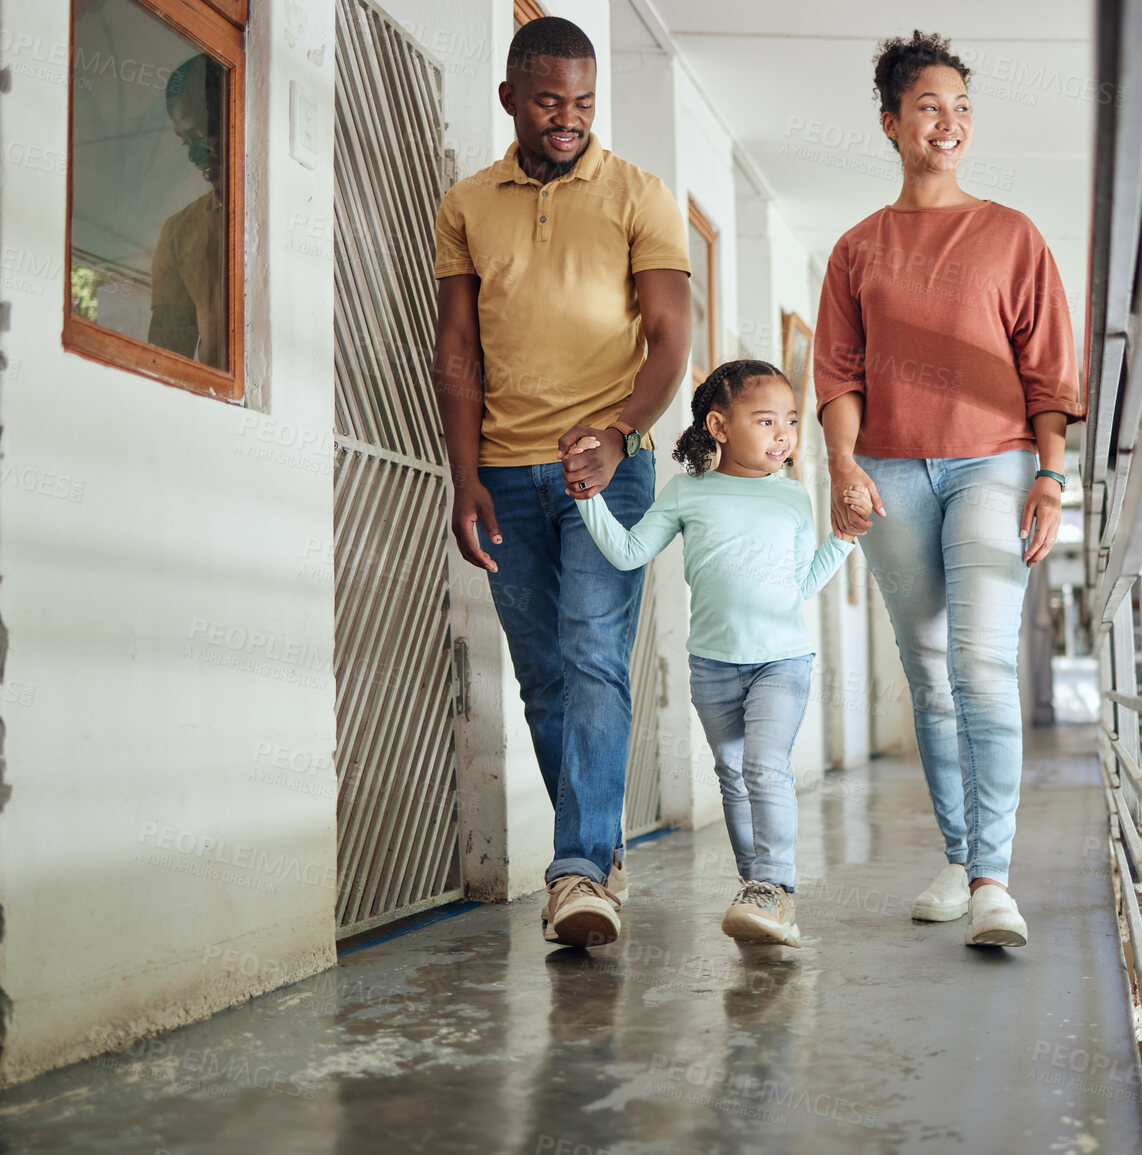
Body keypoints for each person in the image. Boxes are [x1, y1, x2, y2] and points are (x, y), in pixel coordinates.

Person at [814, 30, 1082, 949]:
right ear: (890, 123)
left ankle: (993, 879)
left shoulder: (1010, 235)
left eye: (961, 108)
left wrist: (1050, 475)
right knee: (927, 673)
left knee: (980, 664)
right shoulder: (856, 250)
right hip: (888, 471)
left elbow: (1049, 373)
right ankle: (962, 853)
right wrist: (843, 468)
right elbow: (839, 375)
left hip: (993, 463)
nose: (949, 123)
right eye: (929, 106)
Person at [430, 16, 692, 949]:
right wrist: (463, 476)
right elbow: (456, 349)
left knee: (591, 656)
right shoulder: (467, 203)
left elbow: (669, 338)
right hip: (502, 469)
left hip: (608, 473)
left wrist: (621, 434)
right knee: (543, 675)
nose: (569, 119)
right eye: (549, 102)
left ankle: (578, 866)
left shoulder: (640, 195)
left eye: (583, 102)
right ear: (509, 98)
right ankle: (599, 853)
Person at [569, 361, 863, 947]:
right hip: (712, 664)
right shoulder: (687, 492)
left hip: (783, 659)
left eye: (791, 422)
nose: (784, 435)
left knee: (763, 765)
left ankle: (777, 887)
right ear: (720, 427)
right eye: (766, 421)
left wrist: (845, 540)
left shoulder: (794, 499)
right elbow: (628, 554)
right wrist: (587, 498)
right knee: (732, 771)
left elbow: (800, 585)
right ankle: (757, 890)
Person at [148, 54, 226, 368]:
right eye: (185, 142)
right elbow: (167, 365)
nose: (194, 156)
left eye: (202, 135)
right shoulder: (180, 234)